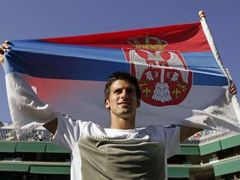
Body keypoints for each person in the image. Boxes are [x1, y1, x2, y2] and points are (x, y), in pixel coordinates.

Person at [0, 42, 237, 180]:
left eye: (130, 92)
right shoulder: (81, 133)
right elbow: (32, 107)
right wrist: (11, 67)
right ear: (107, 102)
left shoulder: (157, 137)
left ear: (138, 101)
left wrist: (224, 94)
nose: (124, 96)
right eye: (118, 92)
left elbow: (206, 116)